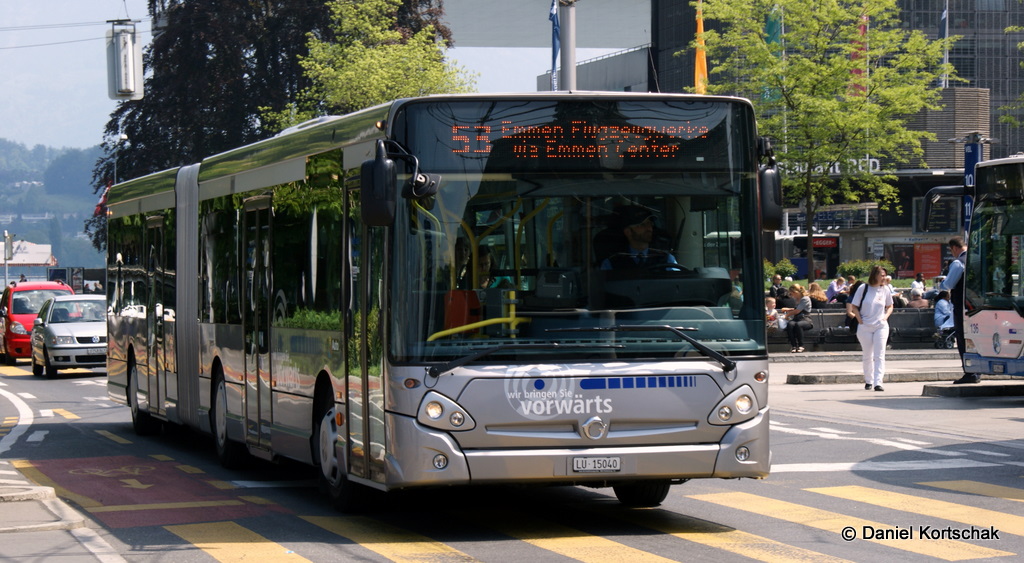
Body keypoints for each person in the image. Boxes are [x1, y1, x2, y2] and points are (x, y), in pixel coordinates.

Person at [925, 236, 975, 383]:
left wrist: (942, 283)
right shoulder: (975, 259)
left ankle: (969, 372)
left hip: (961, 306)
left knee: (962, 338)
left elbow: (949, 284)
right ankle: (975, 371)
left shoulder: (958, 263)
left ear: (954, 248)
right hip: (975, 305)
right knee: (972, 339)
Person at [847, 265, 894, 392]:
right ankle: (869, 380)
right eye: (882, 275)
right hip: (865, 326)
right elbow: (854, 306)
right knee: (868, 355)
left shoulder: (885, 289)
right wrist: (860, 320)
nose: (884, 278)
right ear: (875, 275)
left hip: (881, 325)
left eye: (885, 275)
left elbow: (890, 305)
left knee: (880, 354)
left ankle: (878, 382)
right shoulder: (864, 288)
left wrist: (885, 317)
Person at [600, 206, 677, 270]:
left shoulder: (666, 259)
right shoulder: (612, 263)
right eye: (642, 225)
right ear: (628, 232)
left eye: (650, 223)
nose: (649, 228)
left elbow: (676, 281)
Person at [781, 284, 813, 353]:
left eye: (791, 293)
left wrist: (787, 315)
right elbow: (797, 308)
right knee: (790, 324)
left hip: (805, 319)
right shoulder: (797, 299)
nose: (791, 295)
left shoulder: (805, 299)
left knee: (798, 325)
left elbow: (797, 311)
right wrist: (788, 309)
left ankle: (801, 345)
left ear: (795, 292)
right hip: (797, 318)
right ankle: (794, 345)